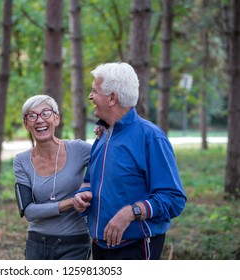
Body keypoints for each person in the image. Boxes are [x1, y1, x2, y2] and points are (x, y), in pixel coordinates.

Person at [73, 62, 187, 260]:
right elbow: (89, 180)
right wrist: (82, 195)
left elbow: (174, 199)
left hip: (136, 246)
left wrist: (131, 212)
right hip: (99, 245)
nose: (90, 97)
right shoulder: (103, 135)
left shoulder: (150, 137)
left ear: (112, 98)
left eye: (94, 91)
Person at [13, 94, 92, 260]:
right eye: (32, 116)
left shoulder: (78, 149)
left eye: (46, 113)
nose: (39, 120)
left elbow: (110, 161)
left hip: (75, 243)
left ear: (56, 119)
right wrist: (71, 202)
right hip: (37, 243)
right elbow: (29, 211)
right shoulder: (21, 161)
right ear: (26, 124)